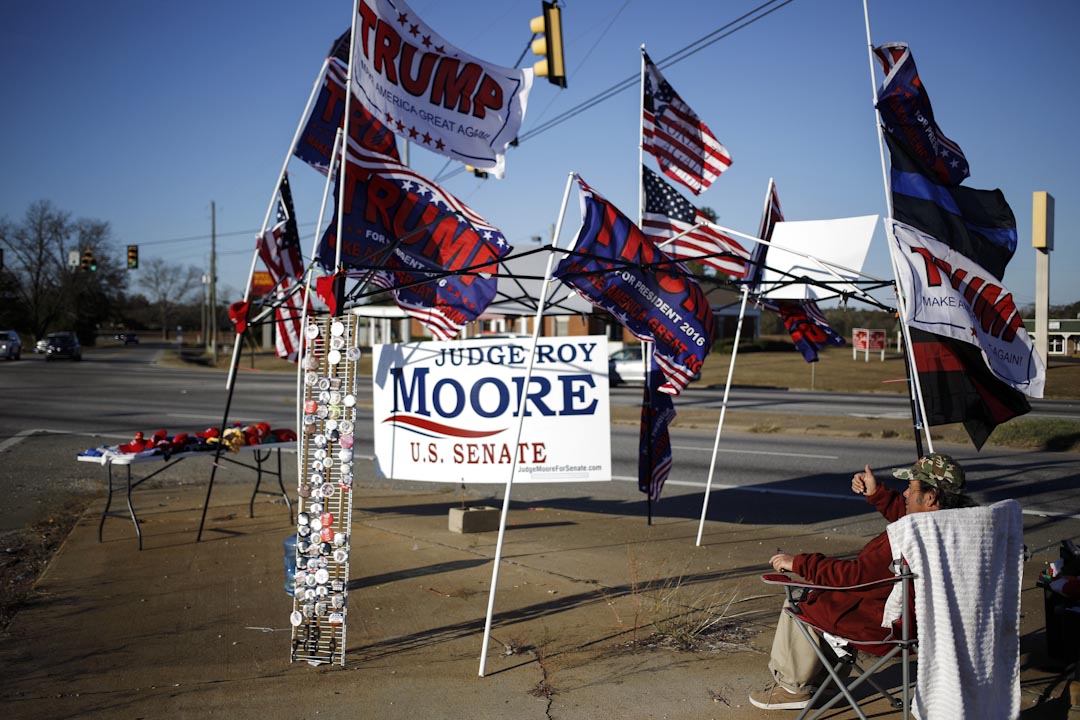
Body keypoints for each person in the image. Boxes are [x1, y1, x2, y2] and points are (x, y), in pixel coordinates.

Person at [749, 452, 973, 711]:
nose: (904, 494)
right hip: (929, 625)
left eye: (910, 488)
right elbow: (909, 515)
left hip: (888, 629)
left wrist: (798, 563)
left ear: (931, 497)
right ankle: (828, 683)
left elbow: (853, 577)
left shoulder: (906, 539)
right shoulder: (956, 528)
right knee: (829, 599)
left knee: (801, 601)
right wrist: (877, 492)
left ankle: (793, 687)